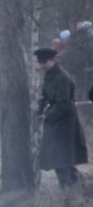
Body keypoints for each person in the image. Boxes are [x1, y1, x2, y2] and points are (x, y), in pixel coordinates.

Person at [34, 47, 88, 188]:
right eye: (40, 63)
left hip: (65, 123)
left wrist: (47, 116)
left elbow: (63, 104)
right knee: (58, 160)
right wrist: (39, 110)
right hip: (55, 121)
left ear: (52, 60)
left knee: (62, 159)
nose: (42, 65)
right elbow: (45, 95)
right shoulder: (49, 75)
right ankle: (73, 187)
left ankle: (71, 189)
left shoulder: (62, 78)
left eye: (44, 62)